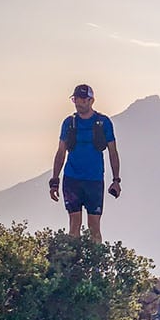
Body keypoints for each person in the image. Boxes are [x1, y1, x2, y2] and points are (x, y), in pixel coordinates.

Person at [49, 83, 121, 241]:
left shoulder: (103, 123)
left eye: (82, 99)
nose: (78, 102)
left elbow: (113, 152)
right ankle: (74, 263)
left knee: (94, 226)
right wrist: (54, 180)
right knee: (74, 223)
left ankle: (95, 265)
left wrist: (116, 180)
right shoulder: (69, 123)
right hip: (72, 179)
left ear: (91, 101)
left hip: (94, 180)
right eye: (75, 99)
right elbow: (61, 152)